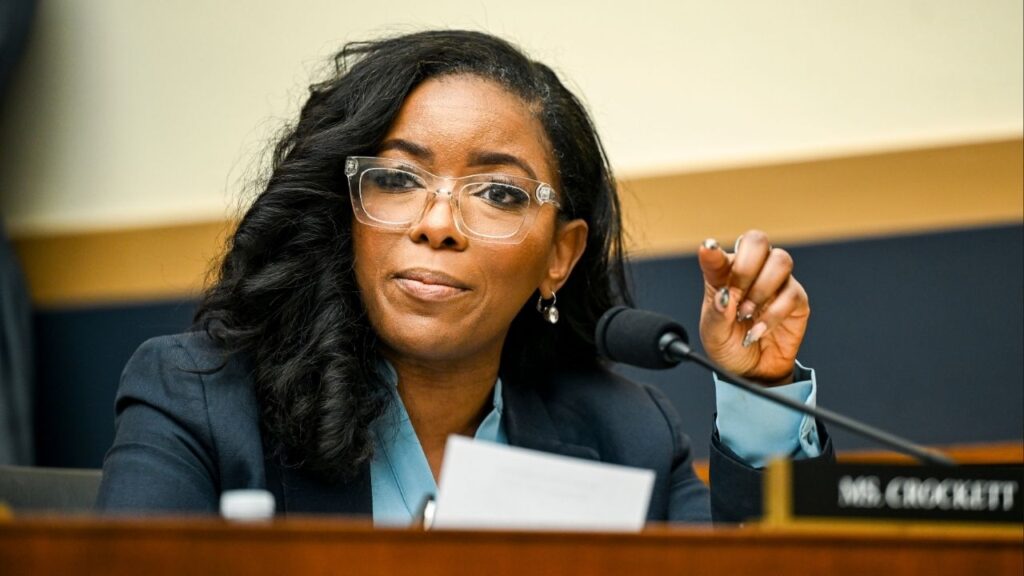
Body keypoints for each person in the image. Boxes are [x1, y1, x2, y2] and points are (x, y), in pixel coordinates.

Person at [96, 30, 831, 523]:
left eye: (499, 194)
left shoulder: (625, 433)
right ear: (345, 215)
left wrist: (759, 395)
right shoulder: (197, 399)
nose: (438, 224)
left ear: (560, 256)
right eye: (397, 180)